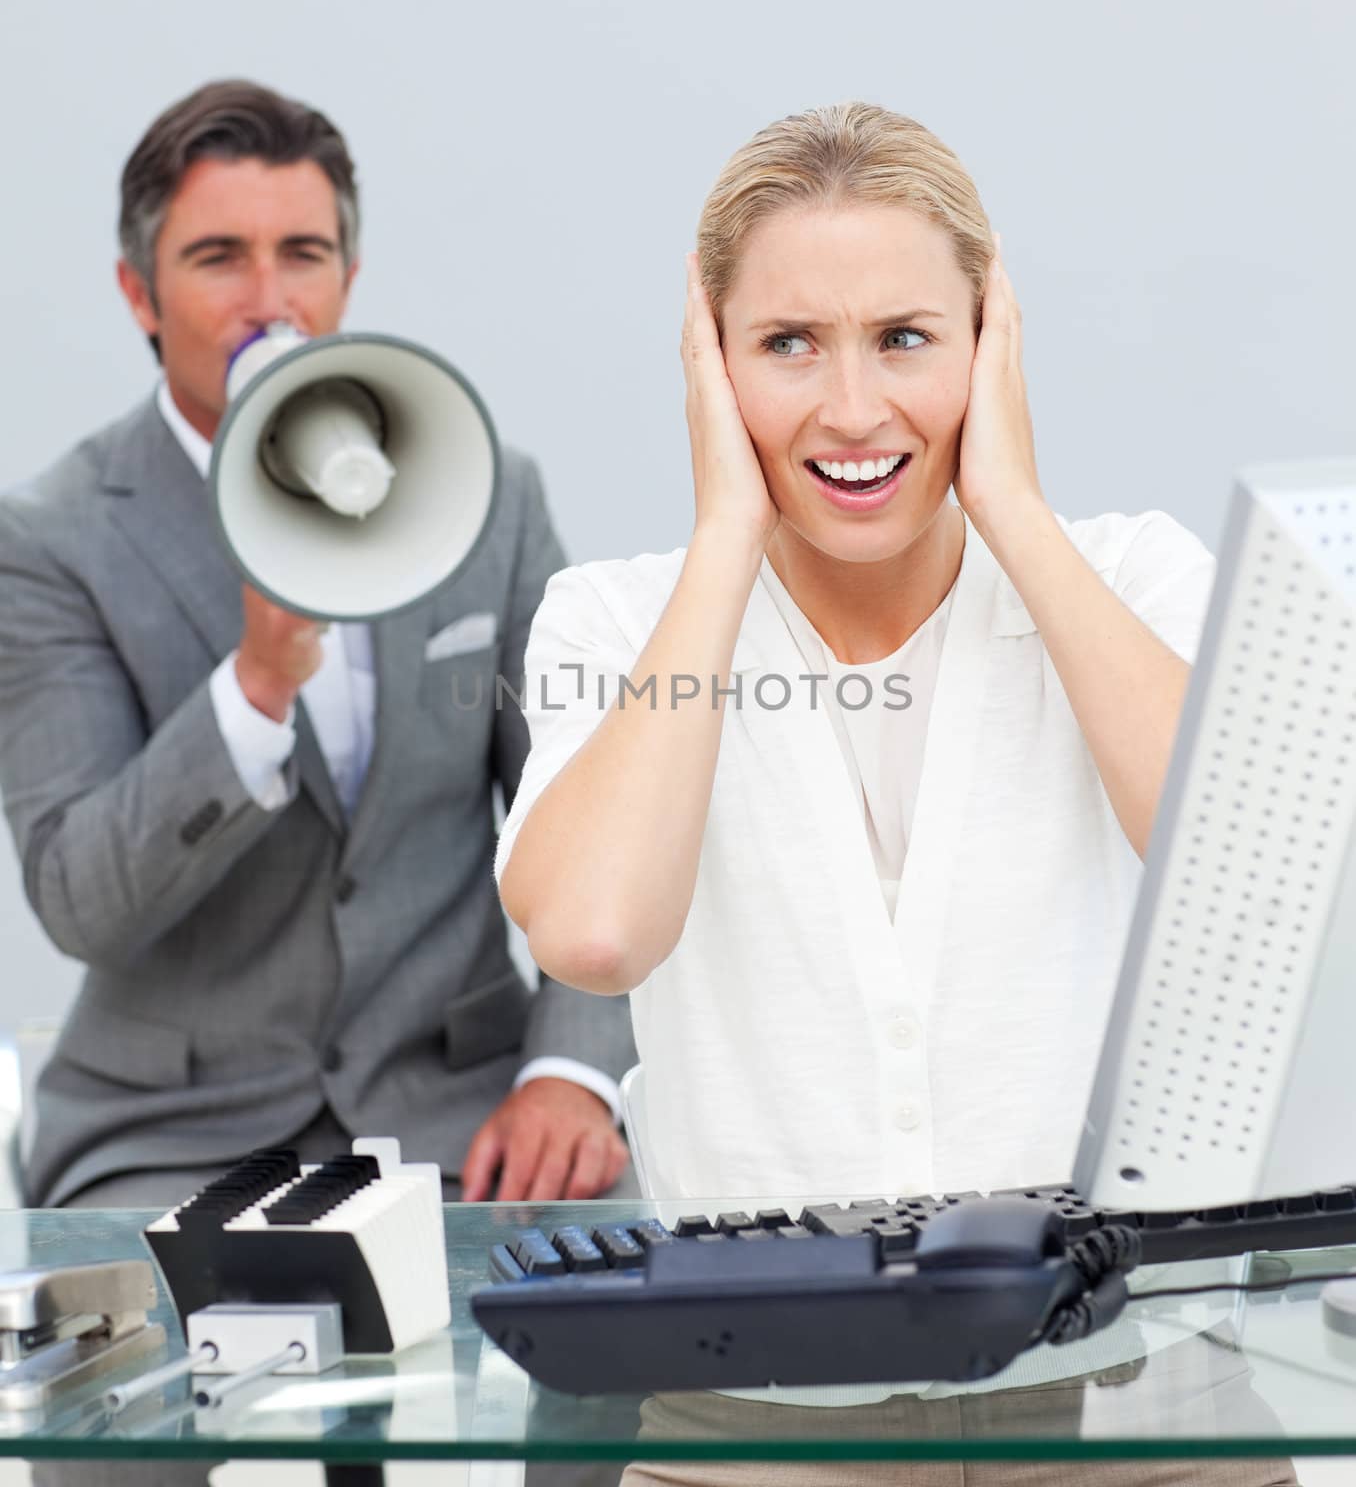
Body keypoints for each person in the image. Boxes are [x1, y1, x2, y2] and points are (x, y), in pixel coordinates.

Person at [492, 103, 1295, 1487]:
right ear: (710, 364)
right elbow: (597, 933)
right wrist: (728, 535)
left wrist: (1018, 515)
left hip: (1135, 1397)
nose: (853, 411)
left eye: (907, 340)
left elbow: (1249, 869)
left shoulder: (1131, 579)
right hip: (753, 1422)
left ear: (990, 348)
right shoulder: (621, 622)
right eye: (787, 344)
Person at [0, 78, 634, 1226]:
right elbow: (79, 900)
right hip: (169, 1141)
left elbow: (597, 817)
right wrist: (251, 690)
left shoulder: (482, 498)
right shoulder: (51, 540)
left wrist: (571, 1070)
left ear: (348, 274)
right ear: (139, 292)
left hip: (464, 1119)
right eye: (217, 258)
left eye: (302, 252)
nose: (270, 302)